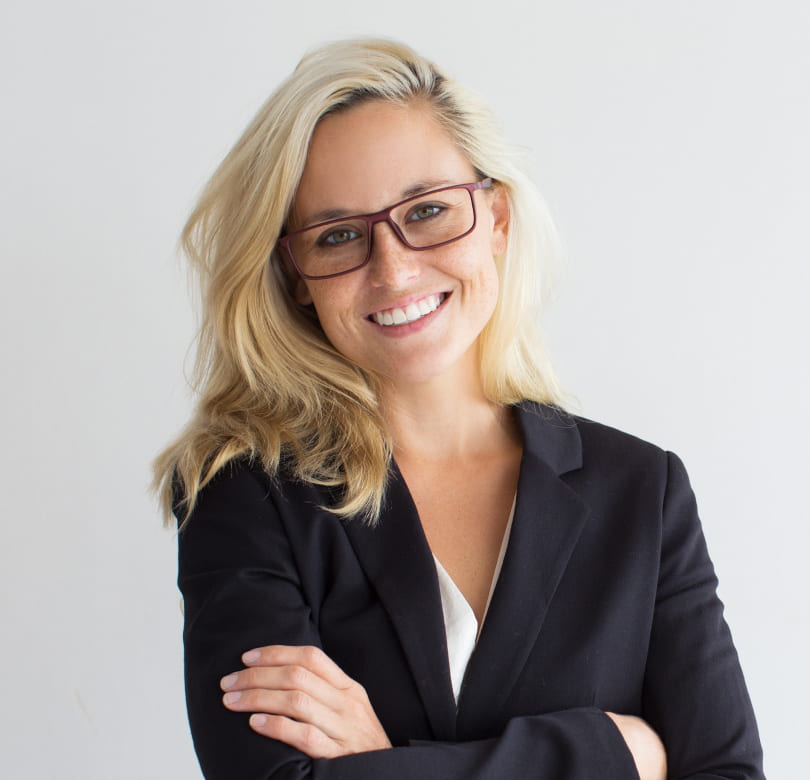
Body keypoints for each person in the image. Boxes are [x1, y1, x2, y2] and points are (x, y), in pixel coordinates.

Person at [154, 38, 764, 780]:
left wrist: (379, 764)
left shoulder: (642, 489)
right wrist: (609, 753)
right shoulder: (248, 494)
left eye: (430, 210)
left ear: (497, 219)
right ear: (295, 275)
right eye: (339, 235)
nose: (394, 267)